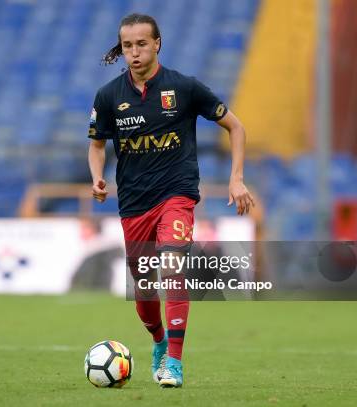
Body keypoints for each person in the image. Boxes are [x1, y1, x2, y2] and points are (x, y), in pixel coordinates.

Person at [87, 13, 255, 388]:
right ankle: (159, 341)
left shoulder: (184, 88)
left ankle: (175, 363)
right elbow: (97, 146)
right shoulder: (109, 96)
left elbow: (236, 127)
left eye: (141, 44)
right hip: (133, 204)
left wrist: (236, 178)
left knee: (173, 266)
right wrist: (97, 177)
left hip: (176, 195)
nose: (134, 52)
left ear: (157, 43)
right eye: (127, 46)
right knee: (143, 288)